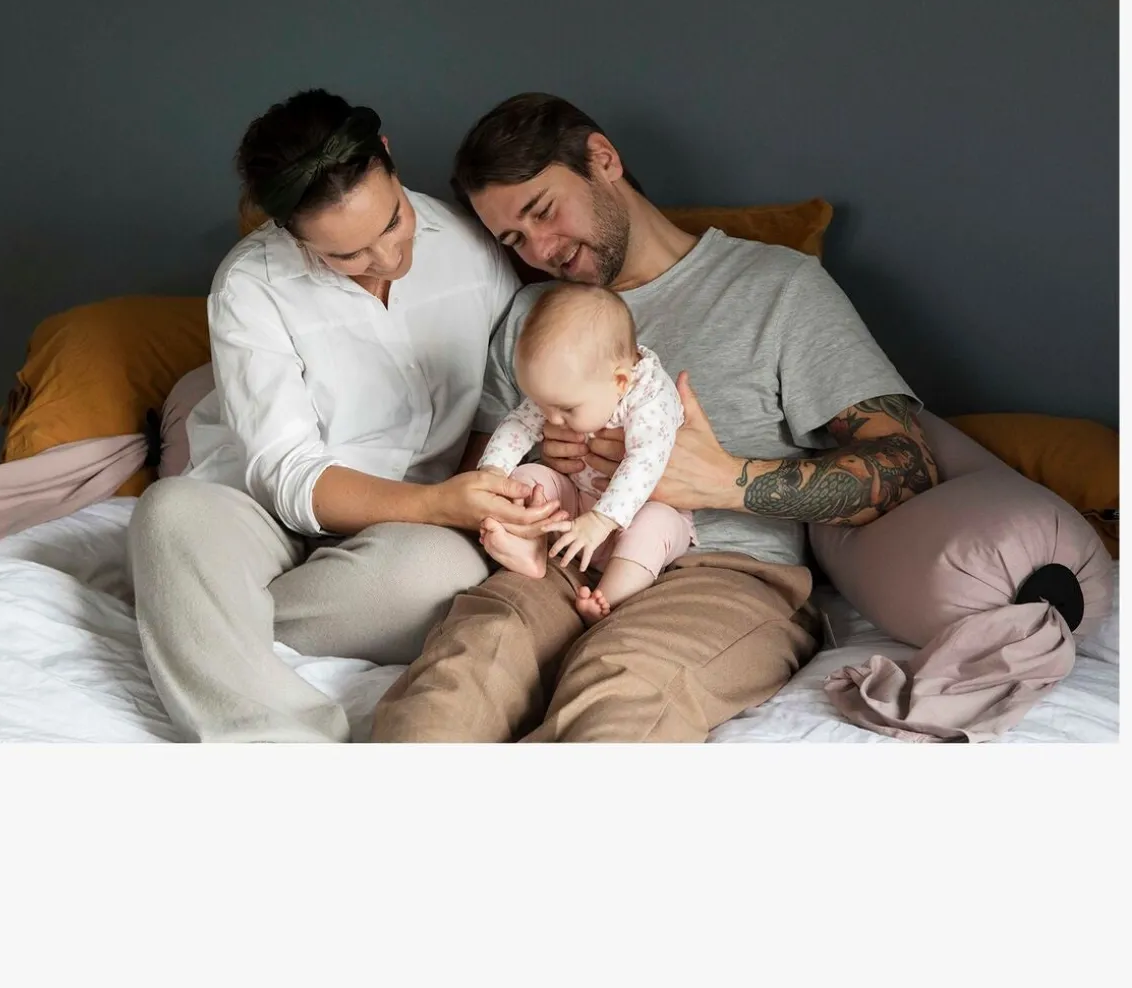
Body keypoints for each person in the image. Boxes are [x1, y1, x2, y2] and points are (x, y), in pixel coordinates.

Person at [372, 92, 939, 743]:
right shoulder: (533, 315)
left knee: (621, 690)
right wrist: (537, 468)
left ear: (603, 159)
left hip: (721, 571)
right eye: (514, 239)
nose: (541, 249)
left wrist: (728, 480)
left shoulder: (779, 288)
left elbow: (910, 467)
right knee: (460, 672)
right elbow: (476, 474)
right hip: (560, 557)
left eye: (543, 211)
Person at [128, 88, 561, 743]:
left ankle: (200, 612)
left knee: (446, 575)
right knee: (167, 513)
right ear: (287, 230)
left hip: (405, 534)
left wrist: (475, 494)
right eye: (345, 254)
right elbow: (287, 473)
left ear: (386, 153)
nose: (387, 259)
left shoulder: (473, 247)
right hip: (262, 514)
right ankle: (278, 743)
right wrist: (439, 504)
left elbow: (502, 400)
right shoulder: (249, 285)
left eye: (391, 222)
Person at [476, 283, 695, 624]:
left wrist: (602, 520)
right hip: (579, 503)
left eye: (566, 409)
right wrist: (493, 471)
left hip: (638, 516)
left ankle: (611, 596)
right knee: (526, 478)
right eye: (543, 405)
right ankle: (531, 549)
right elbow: (520, 423)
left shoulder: (652, 396)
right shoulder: (568, 388)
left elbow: (645, 462)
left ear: (619, 382)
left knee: (655, 525)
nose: (552, 419)